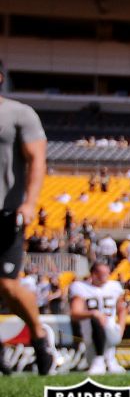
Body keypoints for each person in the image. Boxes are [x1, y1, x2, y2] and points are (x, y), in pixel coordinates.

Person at [0, 74, 57, 375]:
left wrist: (30, 202)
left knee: (7, 284)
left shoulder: (19, 113)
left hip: (6, 210)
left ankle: (38, 334)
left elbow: (37, 158)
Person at [70, 261, 128, 374]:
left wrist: (121, 328)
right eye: (101, 274)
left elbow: (122, 310)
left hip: (111, 331)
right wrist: (93, 313)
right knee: (94, 364)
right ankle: (101, 359)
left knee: (108, 367)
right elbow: (75, 312)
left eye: (107, 273)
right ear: (93, 274)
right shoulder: (80, 287)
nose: (105, 277)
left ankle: (108, 360)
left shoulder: (114, 286)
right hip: (90, 334)